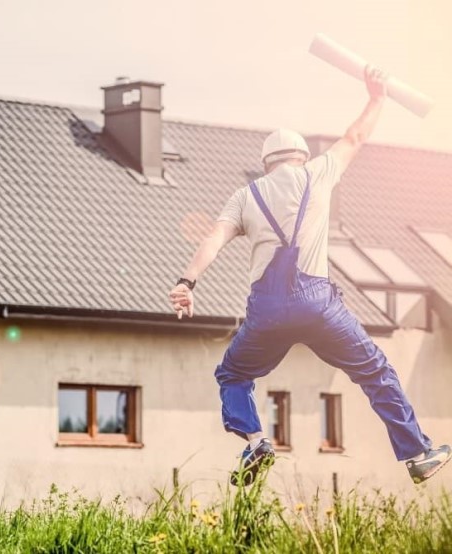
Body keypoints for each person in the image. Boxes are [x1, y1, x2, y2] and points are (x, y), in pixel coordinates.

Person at [168, 66, 451, 486]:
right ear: (300, 156)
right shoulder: (317, 174)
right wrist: (376, 97)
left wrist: (187, 282)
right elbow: (355, 137)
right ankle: (418, 453)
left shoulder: (246, 195)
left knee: (233, 374)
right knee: (375, 372)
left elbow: (213, 239)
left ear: (266, 164)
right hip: (319, 306)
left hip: (267, 312)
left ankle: (256, 441)